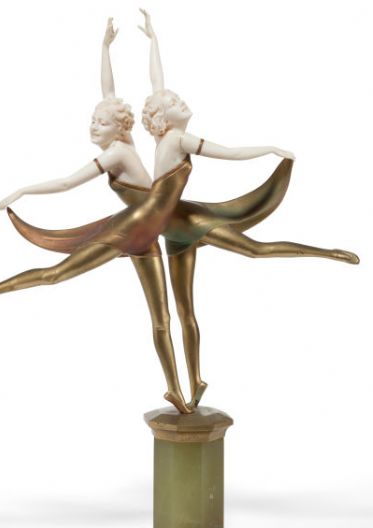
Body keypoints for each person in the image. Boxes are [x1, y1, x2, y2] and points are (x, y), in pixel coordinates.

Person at [0, 18, 193, 414]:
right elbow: (108, 95)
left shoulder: (121, 147)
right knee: (57, 275)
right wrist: (105, 48)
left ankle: (175, 390)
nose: (93, 126)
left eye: (100, 122)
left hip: (144, 238)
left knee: (161, 318)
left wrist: (152, 41)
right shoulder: (119, 147)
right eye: (93, 120)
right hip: (129, 233)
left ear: (118, 127)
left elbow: (69, 180)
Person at [138, 9, 359, 407]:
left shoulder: (164, 137)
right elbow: (229, 152)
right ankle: (327, 252)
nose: (182, 102)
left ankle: (195, 381)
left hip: (173, 226)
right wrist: (268, 149)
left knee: (186, 310)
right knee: (255, 250)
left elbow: (158, 83)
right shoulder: (178, 139)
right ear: (164, 117)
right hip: (185, 223)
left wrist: (153, 40)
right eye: (176, 103)